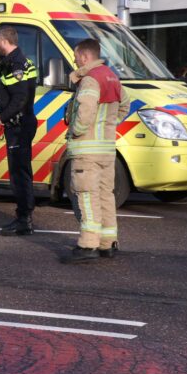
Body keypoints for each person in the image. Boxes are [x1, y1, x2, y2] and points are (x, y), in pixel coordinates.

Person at [60, 39, 130, 264]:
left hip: (87, 149)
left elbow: (86, 110)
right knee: (105, 195)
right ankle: (107, 243)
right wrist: (109, 125)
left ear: (85, 57)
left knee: (87, 195)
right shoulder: (111, 76)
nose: (74, 59)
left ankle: (88, 245)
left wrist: (78, 131)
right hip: (106, 149)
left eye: (76, 55)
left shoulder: (90, 79)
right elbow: (125, 105)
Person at [0, 27, 38, 236]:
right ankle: (24, 217)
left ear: (3, 41)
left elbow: (19, 98)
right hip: (21, 123)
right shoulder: (20, 61)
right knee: (21, 172)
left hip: (18, 126)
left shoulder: (15, 64)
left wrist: (3, 117)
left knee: (19, 174)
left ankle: (24, 219)